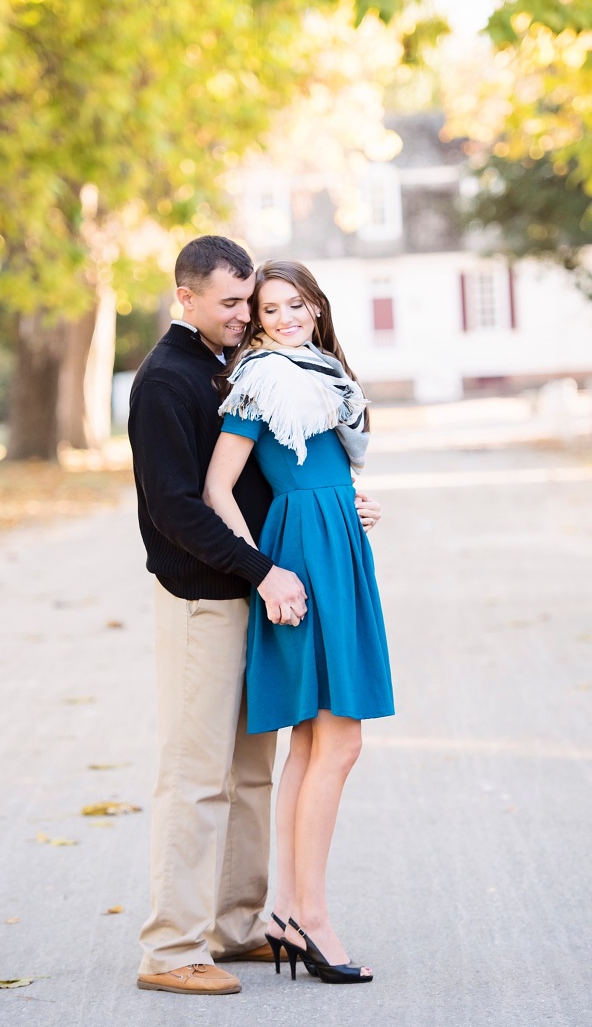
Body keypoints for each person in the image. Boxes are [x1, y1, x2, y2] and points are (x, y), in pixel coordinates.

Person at [128, 236, 382, 996]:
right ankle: (171, 948)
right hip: (204, 597)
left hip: (258, 592)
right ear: (188, 299)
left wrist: (336, 507)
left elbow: (271, 474)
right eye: (233, 303)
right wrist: (265, 567)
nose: (247, 316)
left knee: (250, 772)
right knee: (196, 774)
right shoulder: (166, 381)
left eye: (254, 302)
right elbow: (178, 506)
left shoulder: (230, 366)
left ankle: (237, 926)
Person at [203, 258, 395, 985]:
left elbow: (324, 465)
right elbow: (218, 485)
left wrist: (356, 502)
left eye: (295, 305)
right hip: (301, 559)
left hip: (338, 545)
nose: (283, 318)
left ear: (316, 307)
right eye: (269, 309)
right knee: (336, 742)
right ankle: (309, 915)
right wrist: (262, 571)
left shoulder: (322, 374)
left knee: (318, 744)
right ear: (256, 322)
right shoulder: (264, 378)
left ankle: (288, 911)